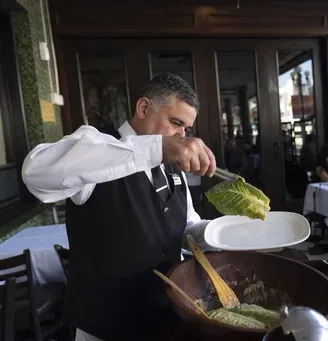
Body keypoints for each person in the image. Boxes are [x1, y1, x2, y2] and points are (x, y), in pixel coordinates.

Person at [21, 73, 217, 341]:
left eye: (186, 129)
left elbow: (185, 228)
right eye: (175, 123)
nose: (181, 136)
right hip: (105, 325)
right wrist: (154, 147)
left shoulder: (172, 166)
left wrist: (224, 232)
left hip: (165, 315)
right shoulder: (97, 148)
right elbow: (35, 173)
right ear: (144, 108)